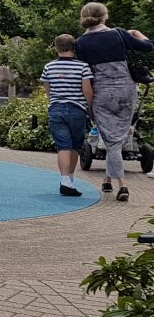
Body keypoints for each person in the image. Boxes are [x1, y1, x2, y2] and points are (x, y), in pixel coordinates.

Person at [75, 1, 152, 201]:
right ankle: (108, 181)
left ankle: (122, 185)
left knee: (111, 140)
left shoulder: (80, 43)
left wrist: (88, 104)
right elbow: (148, 47)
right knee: (116, 139)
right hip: (126, 91)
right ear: (104, 16)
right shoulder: (118, 33)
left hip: (102, 93)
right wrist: (137, 34)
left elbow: (86, 75)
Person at [42, 33, 95, 197]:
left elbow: (48, 90)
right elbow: (87, 90)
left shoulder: (49, 67)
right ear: (74, 47)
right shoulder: (83, 67)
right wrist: (90, 107)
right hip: (77, 109)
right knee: (74, 145)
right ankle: (70, 179)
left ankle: (65, 179)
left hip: (56, 108)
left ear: (56, 48)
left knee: (63, 145)